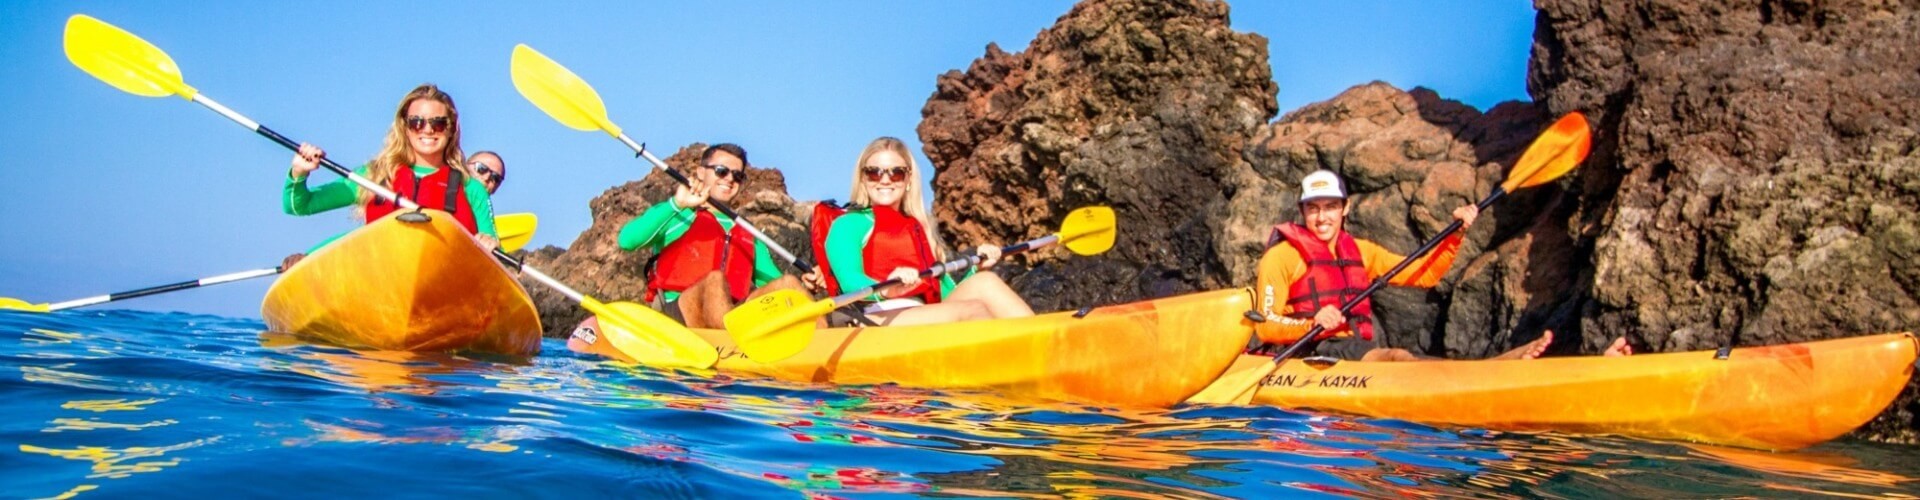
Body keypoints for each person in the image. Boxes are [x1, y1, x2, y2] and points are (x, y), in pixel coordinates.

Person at [1253, 169, 1631, 361]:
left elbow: (1424, 274)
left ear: (1346, 209)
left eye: (1330, 208)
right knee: (1399, 357)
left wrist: (1456, 236)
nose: (1322, 218)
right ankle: (1498, 369)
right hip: (1305, 357)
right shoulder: (1281, 257)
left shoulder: (1362, 251)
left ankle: (1551, 366)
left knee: (1402, 358)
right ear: (1302, 211)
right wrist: (1312, 322)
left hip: (1352, 356)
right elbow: (1266, 324)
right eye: (1313, 209)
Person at [809, 136, 1033, 327]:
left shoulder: (919, 228)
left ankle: (1042, 344)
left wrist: (976, 269)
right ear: (863, 179)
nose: (885, 180)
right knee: (971, 310)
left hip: (920, 314)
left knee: (986, 282)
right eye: (874, 172)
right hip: (873, 316)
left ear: (908, 180)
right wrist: (888, 288)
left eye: (896, 173)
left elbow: (944, 293)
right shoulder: (849, 224)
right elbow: (849, 281)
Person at [278, 84, 497, 270]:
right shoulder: (374, 176)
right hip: (377, 279)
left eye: (438, 123)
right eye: (417, 122)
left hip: (446, 284)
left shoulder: (471, 188)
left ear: (451, 129)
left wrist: (490, 243)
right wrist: (299, 172)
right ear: (405, 127)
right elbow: (299, 206)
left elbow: (496, 253)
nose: (428, 130)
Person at [617, 143, 809, 329]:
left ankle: (821, 340)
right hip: (677, 315)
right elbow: (627, 241)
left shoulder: (747, 232)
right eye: (721, 171)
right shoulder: (679, 212)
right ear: (701, 173)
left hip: (732, 313)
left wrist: (808, 284)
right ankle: (732, 340)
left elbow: (773, 281)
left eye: (737, 175)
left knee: (789, 284)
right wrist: (677, 203)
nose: (729, 179)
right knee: (715, 280)